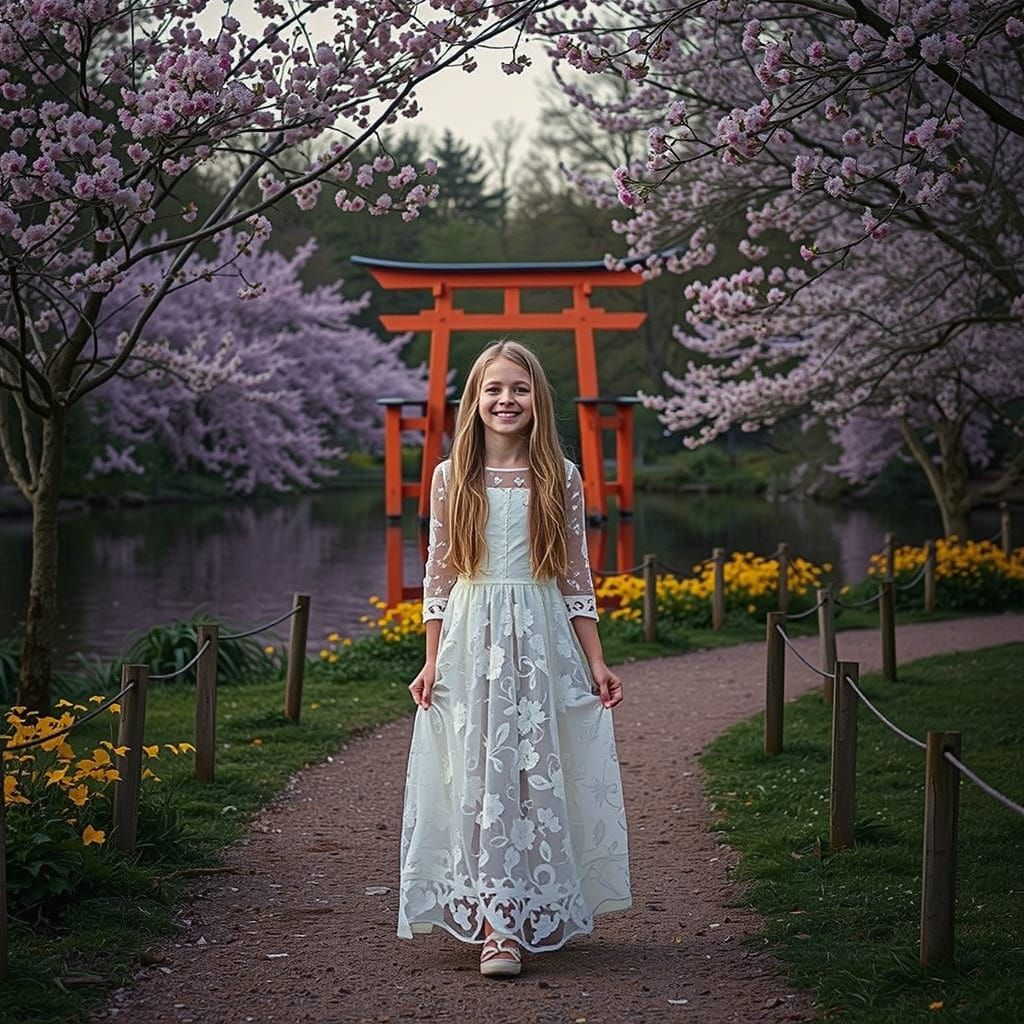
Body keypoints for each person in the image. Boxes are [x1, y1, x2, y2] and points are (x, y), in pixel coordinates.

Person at [396, 339, 632, 977]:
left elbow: (575, 578)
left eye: (519, 389)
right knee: (475, 774)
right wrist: (431, 661)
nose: (507, 400)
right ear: (474, 400)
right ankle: (496, 924)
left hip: (541, 638)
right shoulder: (453, 478)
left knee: (535, 771)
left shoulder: (560, 476)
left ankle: (532, 902)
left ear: (537, 400)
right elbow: (440, 578)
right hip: (473, 640)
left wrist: (597, 662)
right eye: (494, 389)